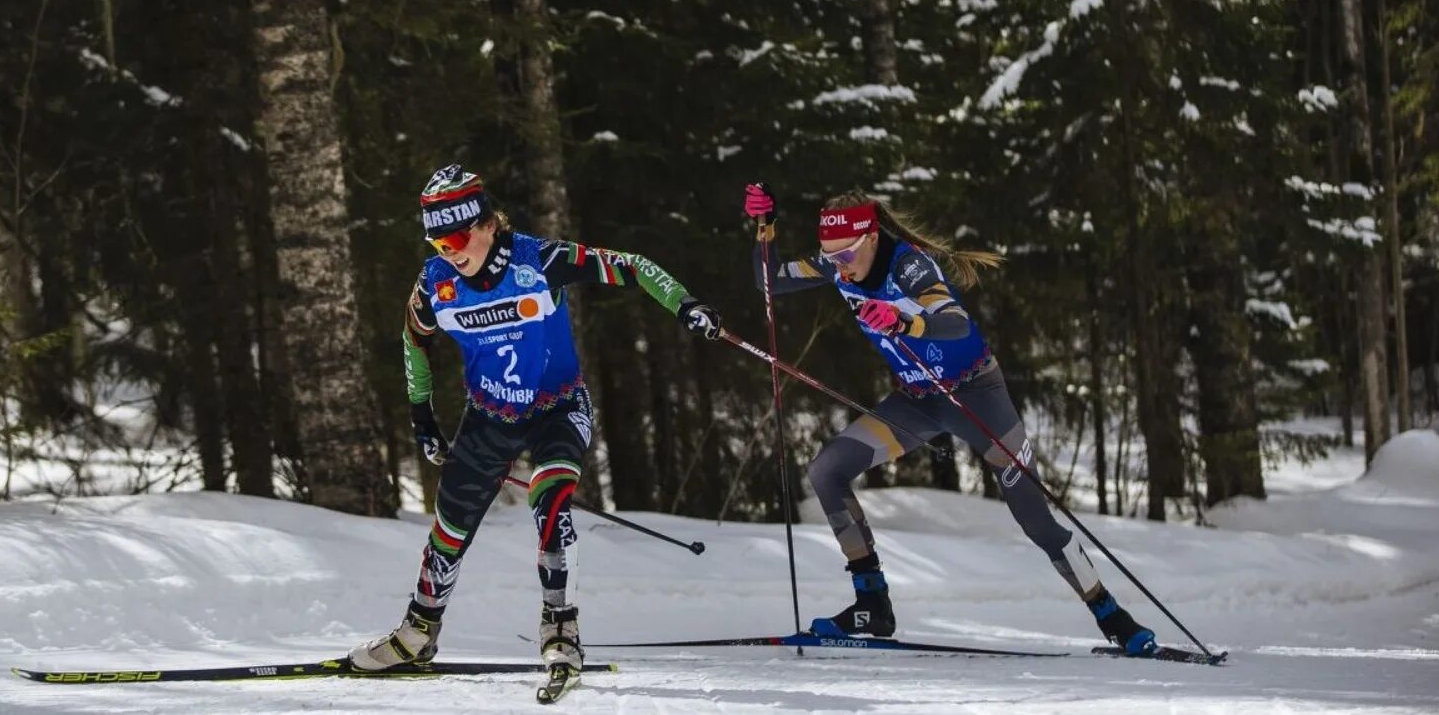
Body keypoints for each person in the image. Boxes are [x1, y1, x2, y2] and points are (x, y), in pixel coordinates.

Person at [742, 183, 1158, 656]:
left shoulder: (909, 264)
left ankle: (1111, 615)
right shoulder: (839, 264)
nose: (839, 266)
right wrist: (766, 227)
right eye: (830, 256)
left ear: (872, 236)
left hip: (978, 394)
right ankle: (872, 601)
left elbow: (955, 321)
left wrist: (904, 321)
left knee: (1035, 517)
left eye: (848, 255)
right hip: (918, 401)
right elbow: (769, 280)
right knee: (827, 469)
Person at [349, 165, 723, 673]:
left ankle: (560, 628)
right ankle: (418, 633)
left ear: (486, 224)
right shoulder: (436, 282)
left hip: (558, 407)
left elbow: (631, 265)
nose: (451, 252)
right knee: (451, 525)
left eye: (457, 237)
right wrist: (422, 415)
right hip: (490, 414)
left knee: (550, 498)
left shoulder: (540, 260)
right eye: (438, 244)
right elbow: (413, 340)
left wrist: (686, 305)